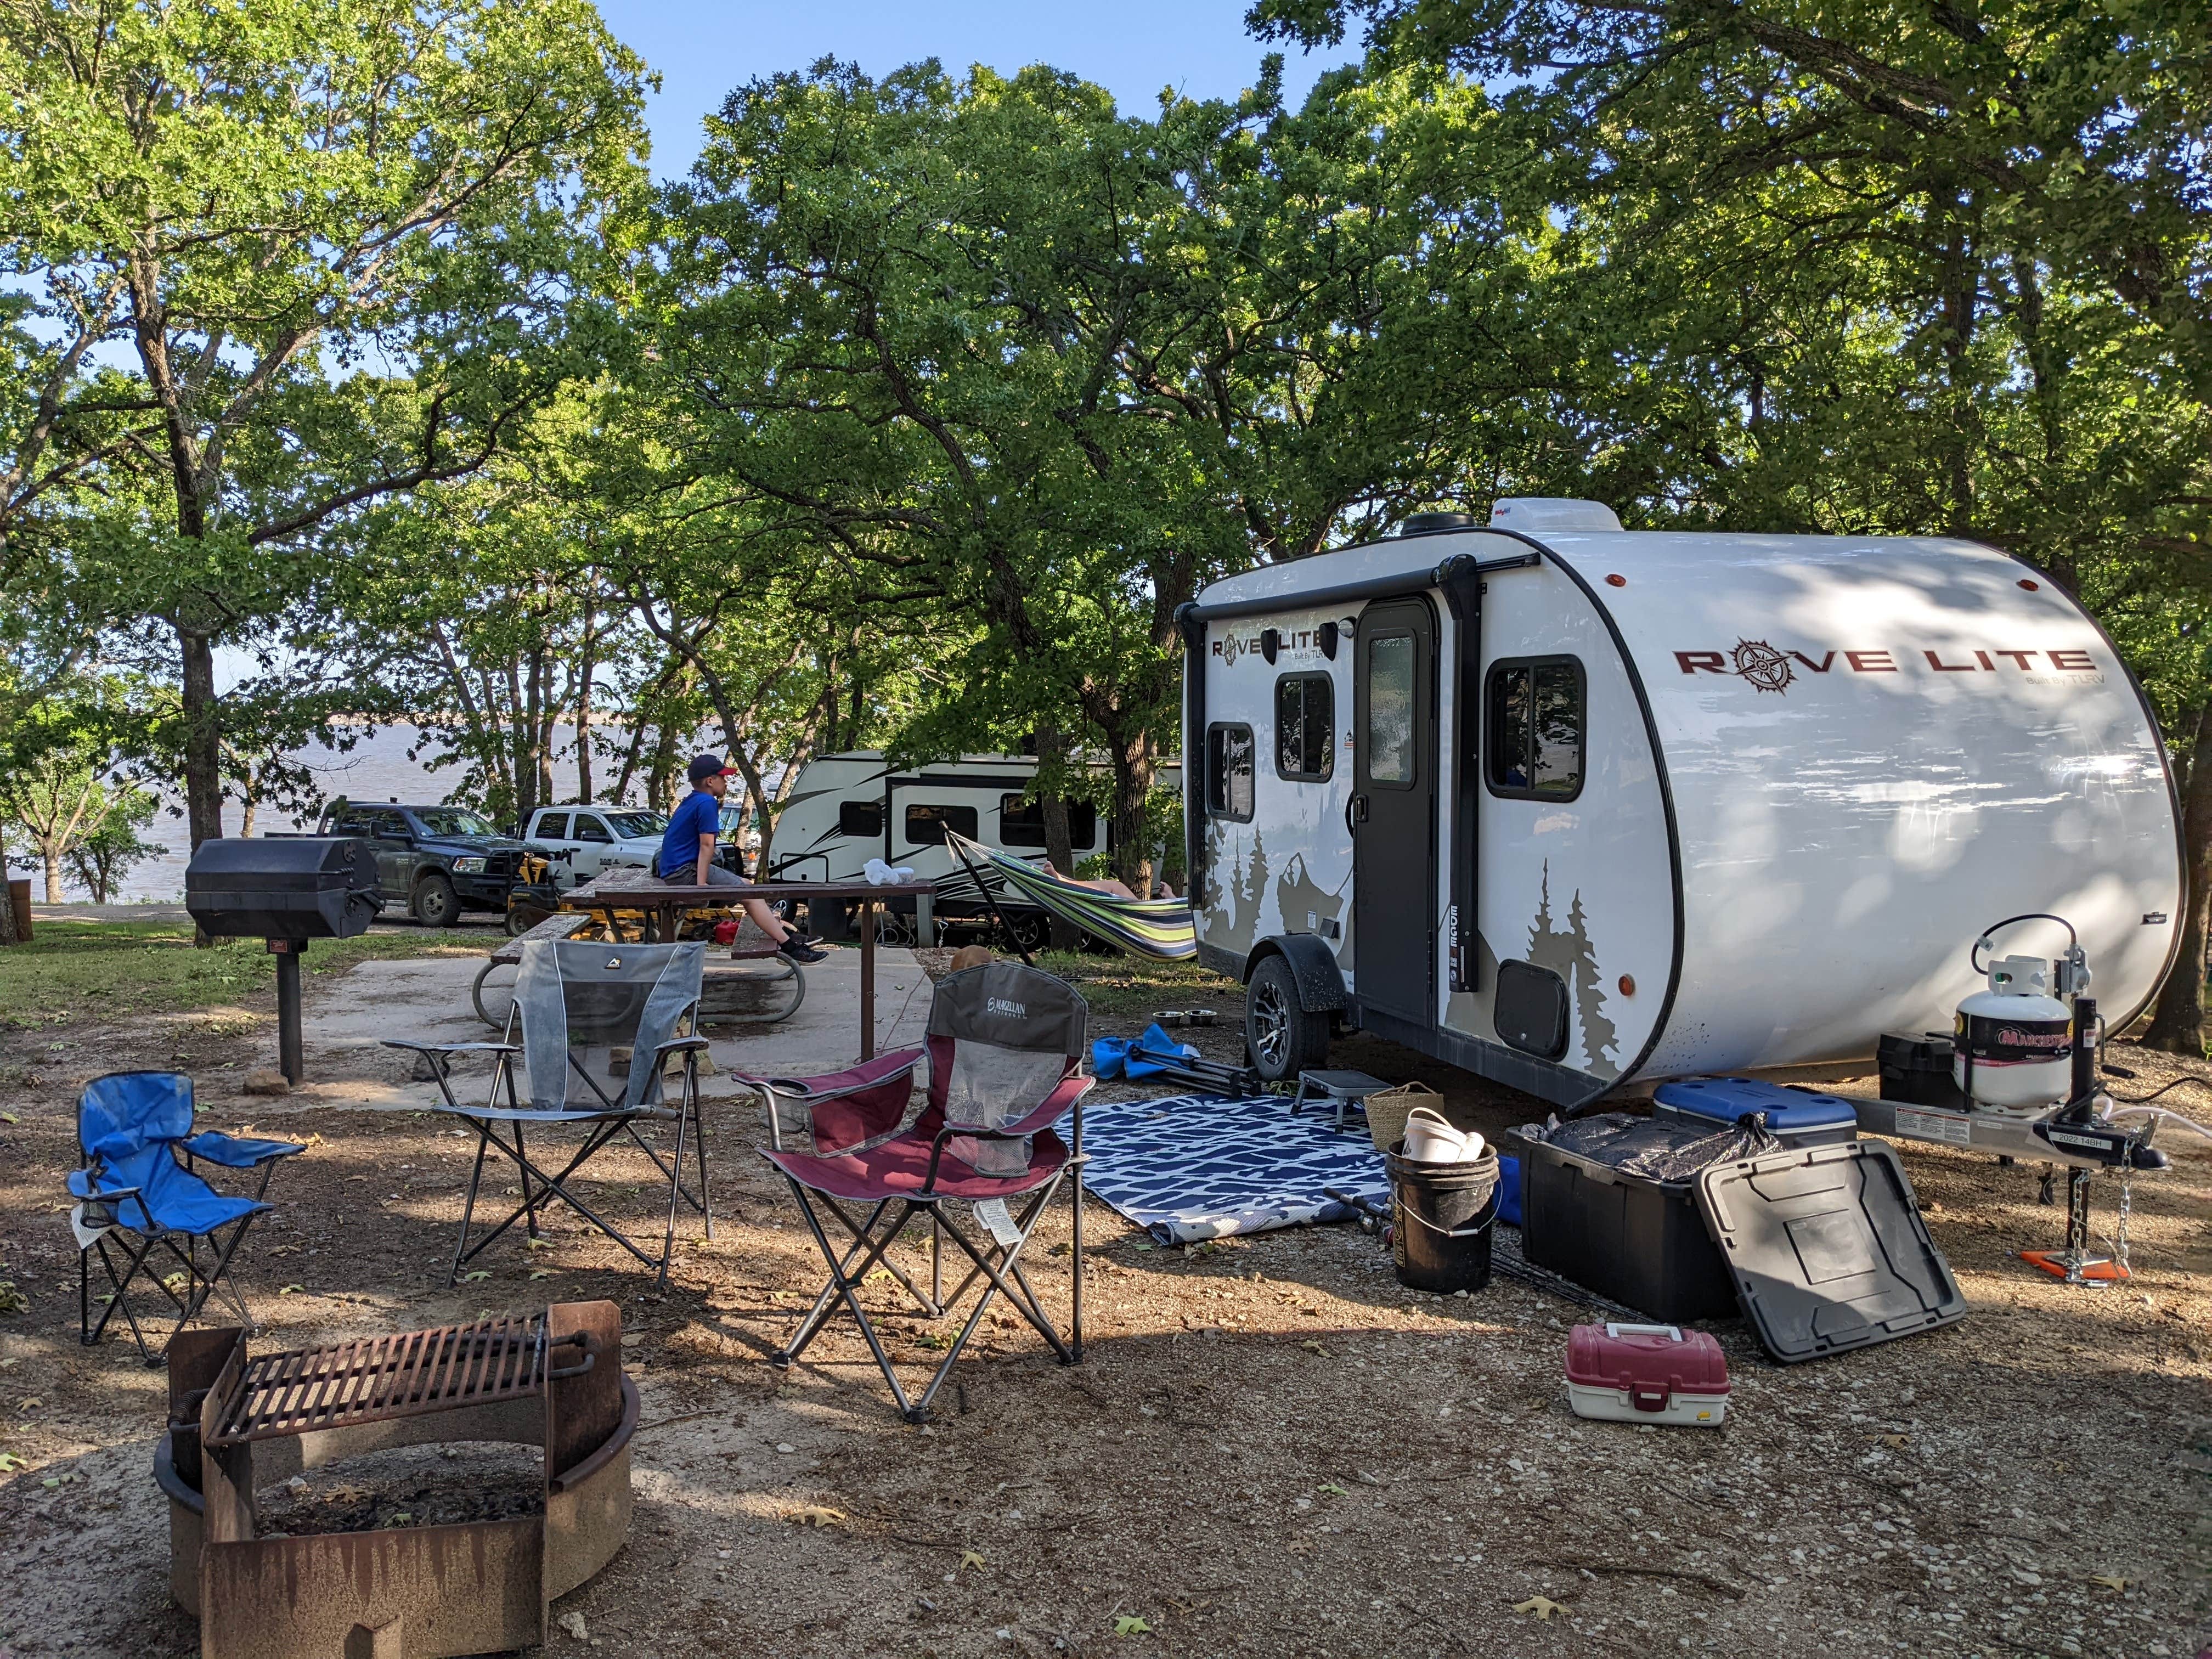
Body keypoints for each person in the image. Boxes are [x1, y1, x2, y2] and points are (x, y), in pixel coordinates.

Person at [658, 755, 824, 962]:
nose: (726, 782)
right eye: (722, 777)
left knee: (746, 885)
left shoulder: (692, 800)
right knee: (750, 893)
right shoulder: (707, 803)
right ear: (710, 781)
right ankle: (790, 948)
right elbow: (707, 845)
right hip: (684, 872)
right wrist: (701, 885)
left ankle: (781, 934)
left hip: (677, 869)